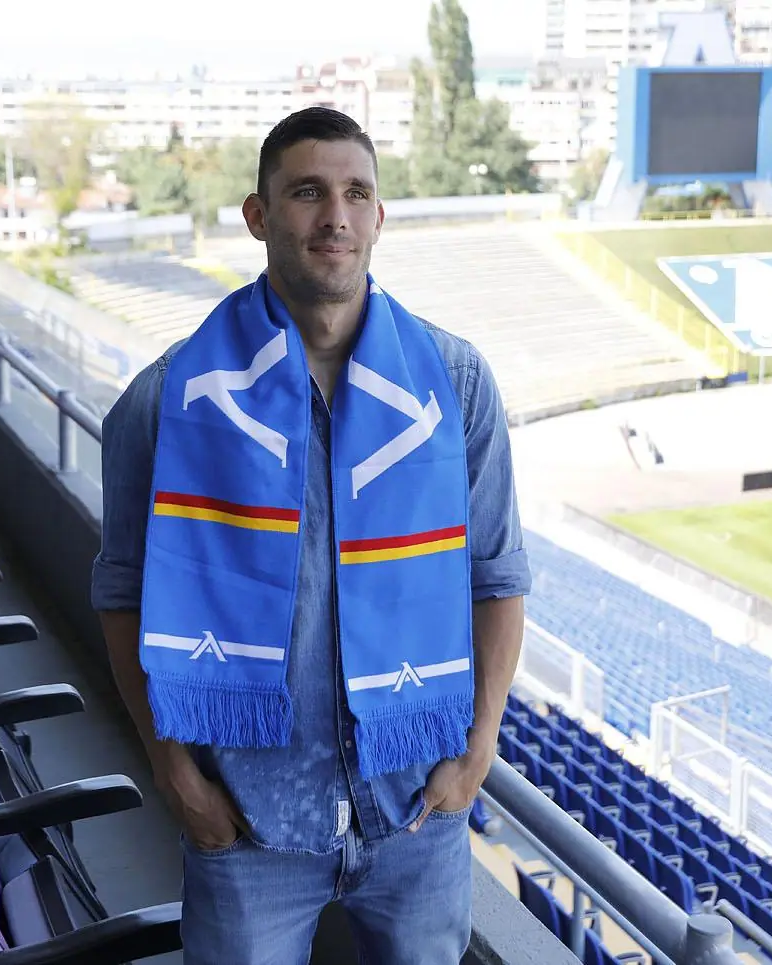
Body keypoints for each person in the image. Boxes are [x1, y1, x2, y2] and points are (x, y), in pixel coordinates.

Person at [91, 106, 531, 965]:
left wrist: (476, 752)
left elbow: (496, 575)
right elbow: (123, 594)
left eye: (355, 193)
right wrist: (177, 776)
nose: (335, 215)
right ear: (258, 216)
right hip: (247, 824)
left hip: (415, 815)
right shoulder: (171, 398)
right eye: (306, 193)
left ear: (378, 216)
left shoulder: (454, 385)